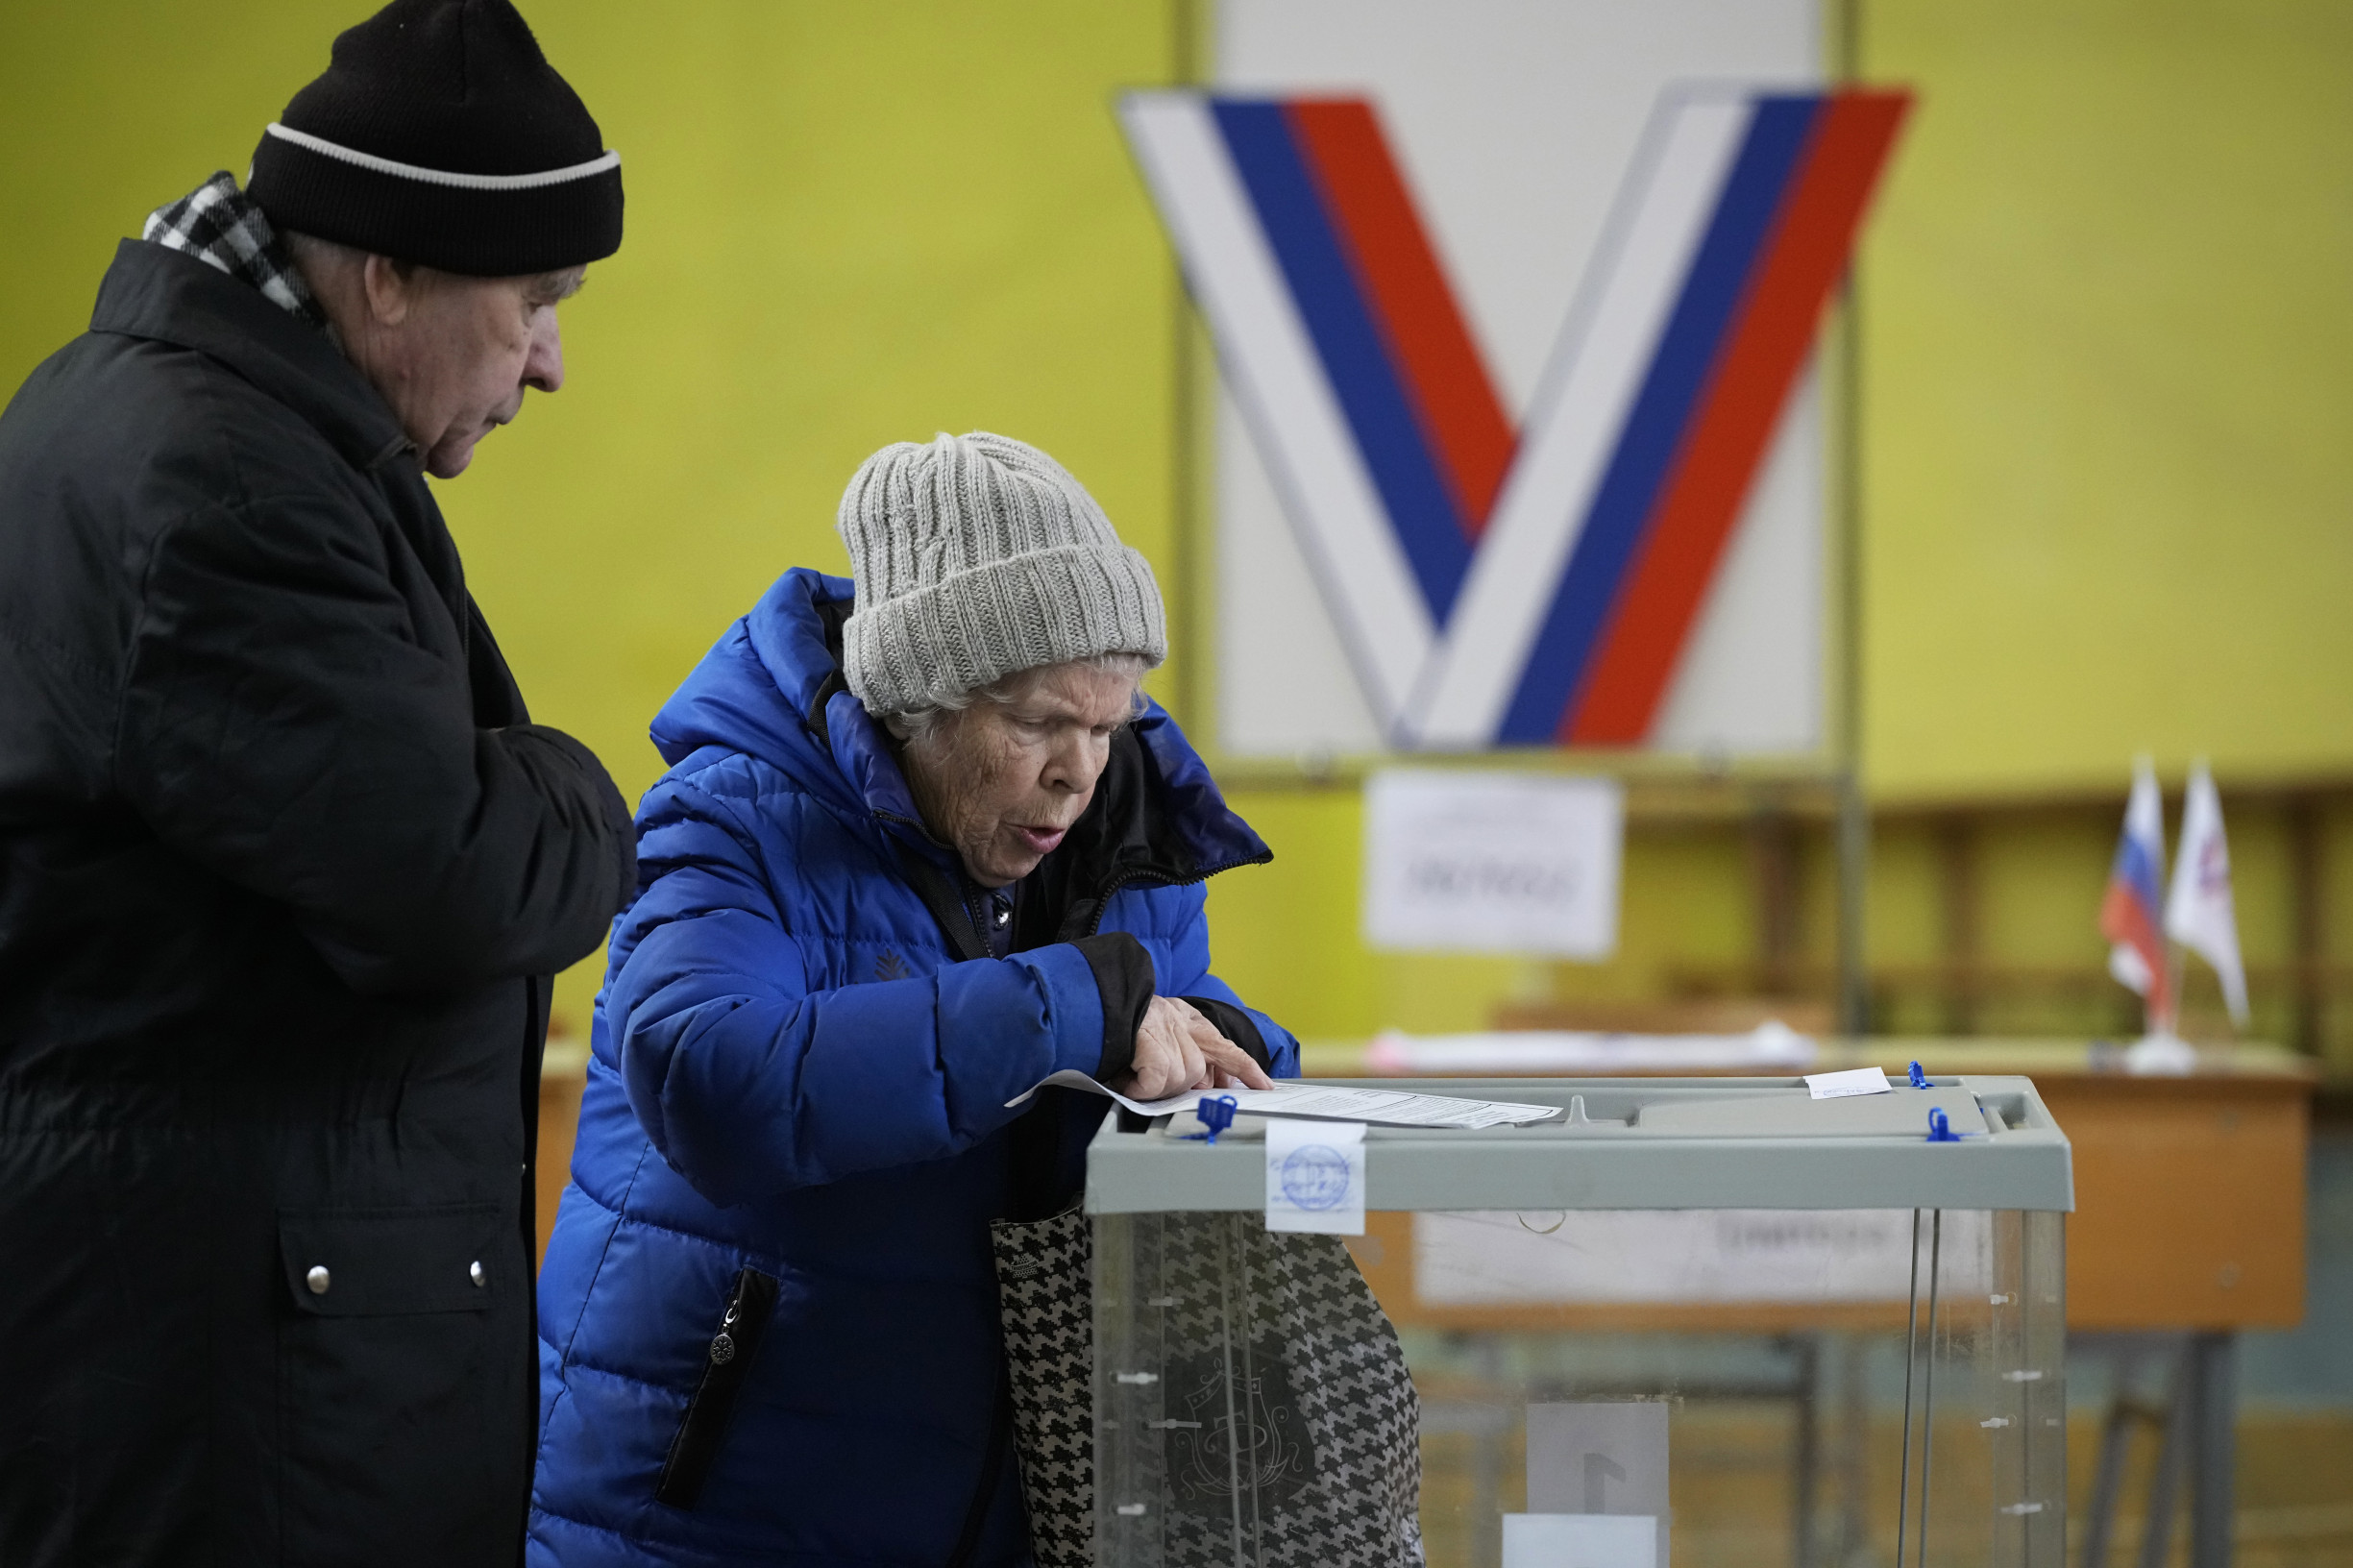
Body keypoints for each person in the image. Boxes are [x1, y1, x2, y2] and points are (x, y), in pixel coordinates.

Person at [0, 1, 636, 1561]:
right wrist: (579, 785)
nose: (551, 363)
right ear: (389, 273)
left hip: (201, 1342)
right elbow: (447, 883)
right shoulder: (223, 485)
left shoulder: (133, 410)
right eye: (534, 301)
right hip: (245, 1395)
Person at [528, 432, 1297, 1566]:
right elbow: (712, 1081)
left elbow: (1164, 1017)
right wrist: (1074, 1003)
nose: (1077, 774)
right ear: (913, 702)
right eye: (1037, 722)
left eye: (1107, 724)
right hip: (717, 1520)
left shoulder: (1124, 836)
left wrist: (1233, 1041)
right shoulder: (729, 816)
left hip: (1009, 1516)